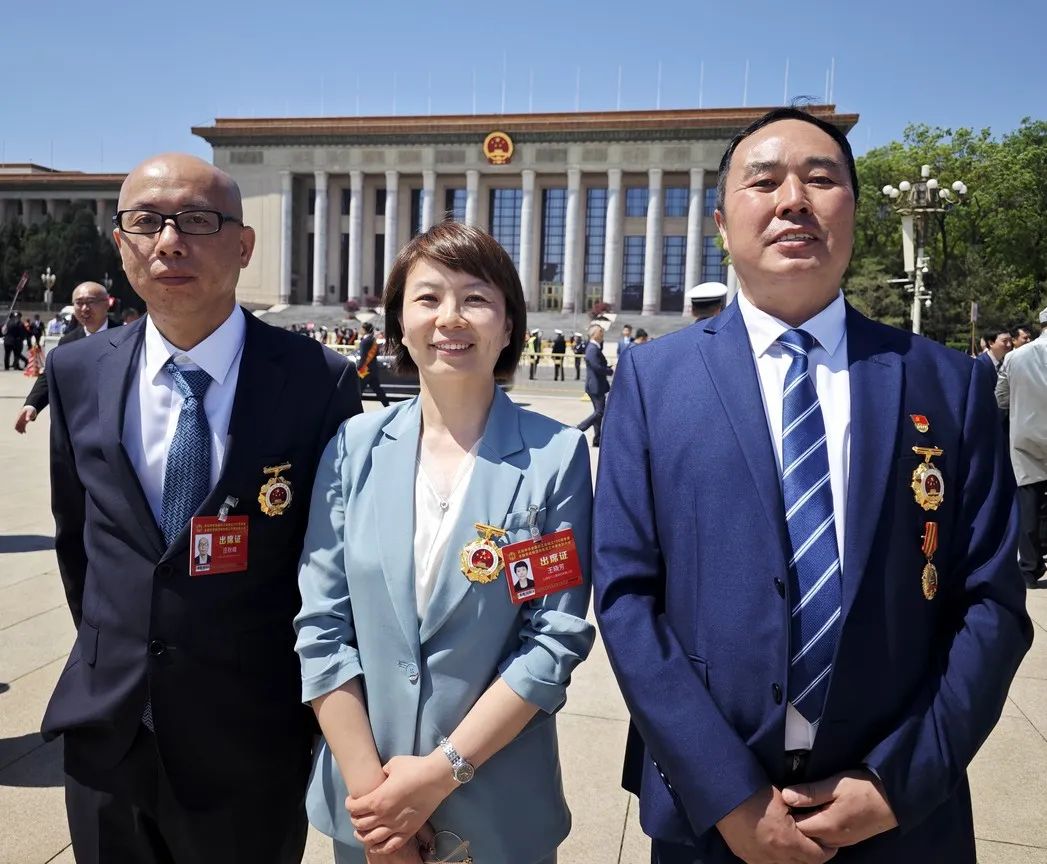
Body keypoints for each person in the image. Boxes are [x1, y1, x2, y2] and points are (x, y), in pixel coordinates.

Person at [593, 107, 1031, 864]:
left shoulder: (946, 384)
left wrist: (897, 782)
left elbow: (991, 602)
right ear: (721, 223)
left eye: (820, 179)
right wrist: (726, 793)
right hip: (711, 821)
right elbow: (627, 597)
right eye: (763, 182)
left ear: (853, 215)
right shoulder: (653, 381)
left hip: (898, 821)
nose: (792, 200)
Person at [41, 152, 363, 864]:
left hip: (248, 744)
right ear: (121, 244)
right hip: (108, 737)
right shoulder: (77, 370)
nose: (168, 242)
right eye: (145, 222)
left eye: (195, 221)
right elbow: (78, 544)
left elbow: (333, 565)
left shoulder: (317, 381)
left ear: (243, 245)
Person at [295, 221, 594, 864]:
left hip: (499, 810)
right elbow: (322, 628)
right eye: (428, 298)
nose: (450, 317)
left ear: (508, 326)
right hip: (367, 811)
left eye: (476, 298)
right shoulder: (354, 448)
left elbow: (553, 639)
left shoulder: (555, 456)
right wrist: (379, 805)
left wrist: (437, 775)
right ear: (399, 324)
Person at [15, 281, 115, 434]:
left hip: (117, 423)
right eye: (79, 303)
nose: (84, 308)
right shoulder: (68, 341)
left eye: (91, 302)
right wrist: (32, 405)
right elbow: (51, 375)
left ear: (107, 303)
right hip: (79, 425)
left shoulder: (126, 336)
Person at [996, 307, 1047, 588]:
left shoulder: (1015, 357)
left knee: (1028, 501)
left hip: (1026, 436)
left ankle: (1029, 568)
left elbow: (1001, 398)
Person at [576, 323, 611, 447]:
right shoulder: (592, 348)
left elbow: (597, 365)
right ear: (595, 334)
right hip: (595, 386)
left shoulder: (595, 347)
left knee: (598, 412)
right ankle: (579, 429)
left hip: (597, 384)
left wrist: (607, 367)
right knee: (599, 412)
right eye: (601, 332)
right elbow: (596, 367)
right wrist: (610, 371)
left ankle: (597, 439)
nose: (602, 334)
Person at [356, 320, 391, 406]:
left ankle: (352, 408)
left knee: (357, 390)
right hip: (373, 369)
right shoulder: (373, 340)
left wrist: (358, 369)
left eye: (361, 329)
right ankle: (387, 406)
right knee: (378, 390)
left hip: (365, 370)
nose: (360, 330)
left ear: (364, 330)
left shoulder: (365, 341)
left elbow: (363, 358)